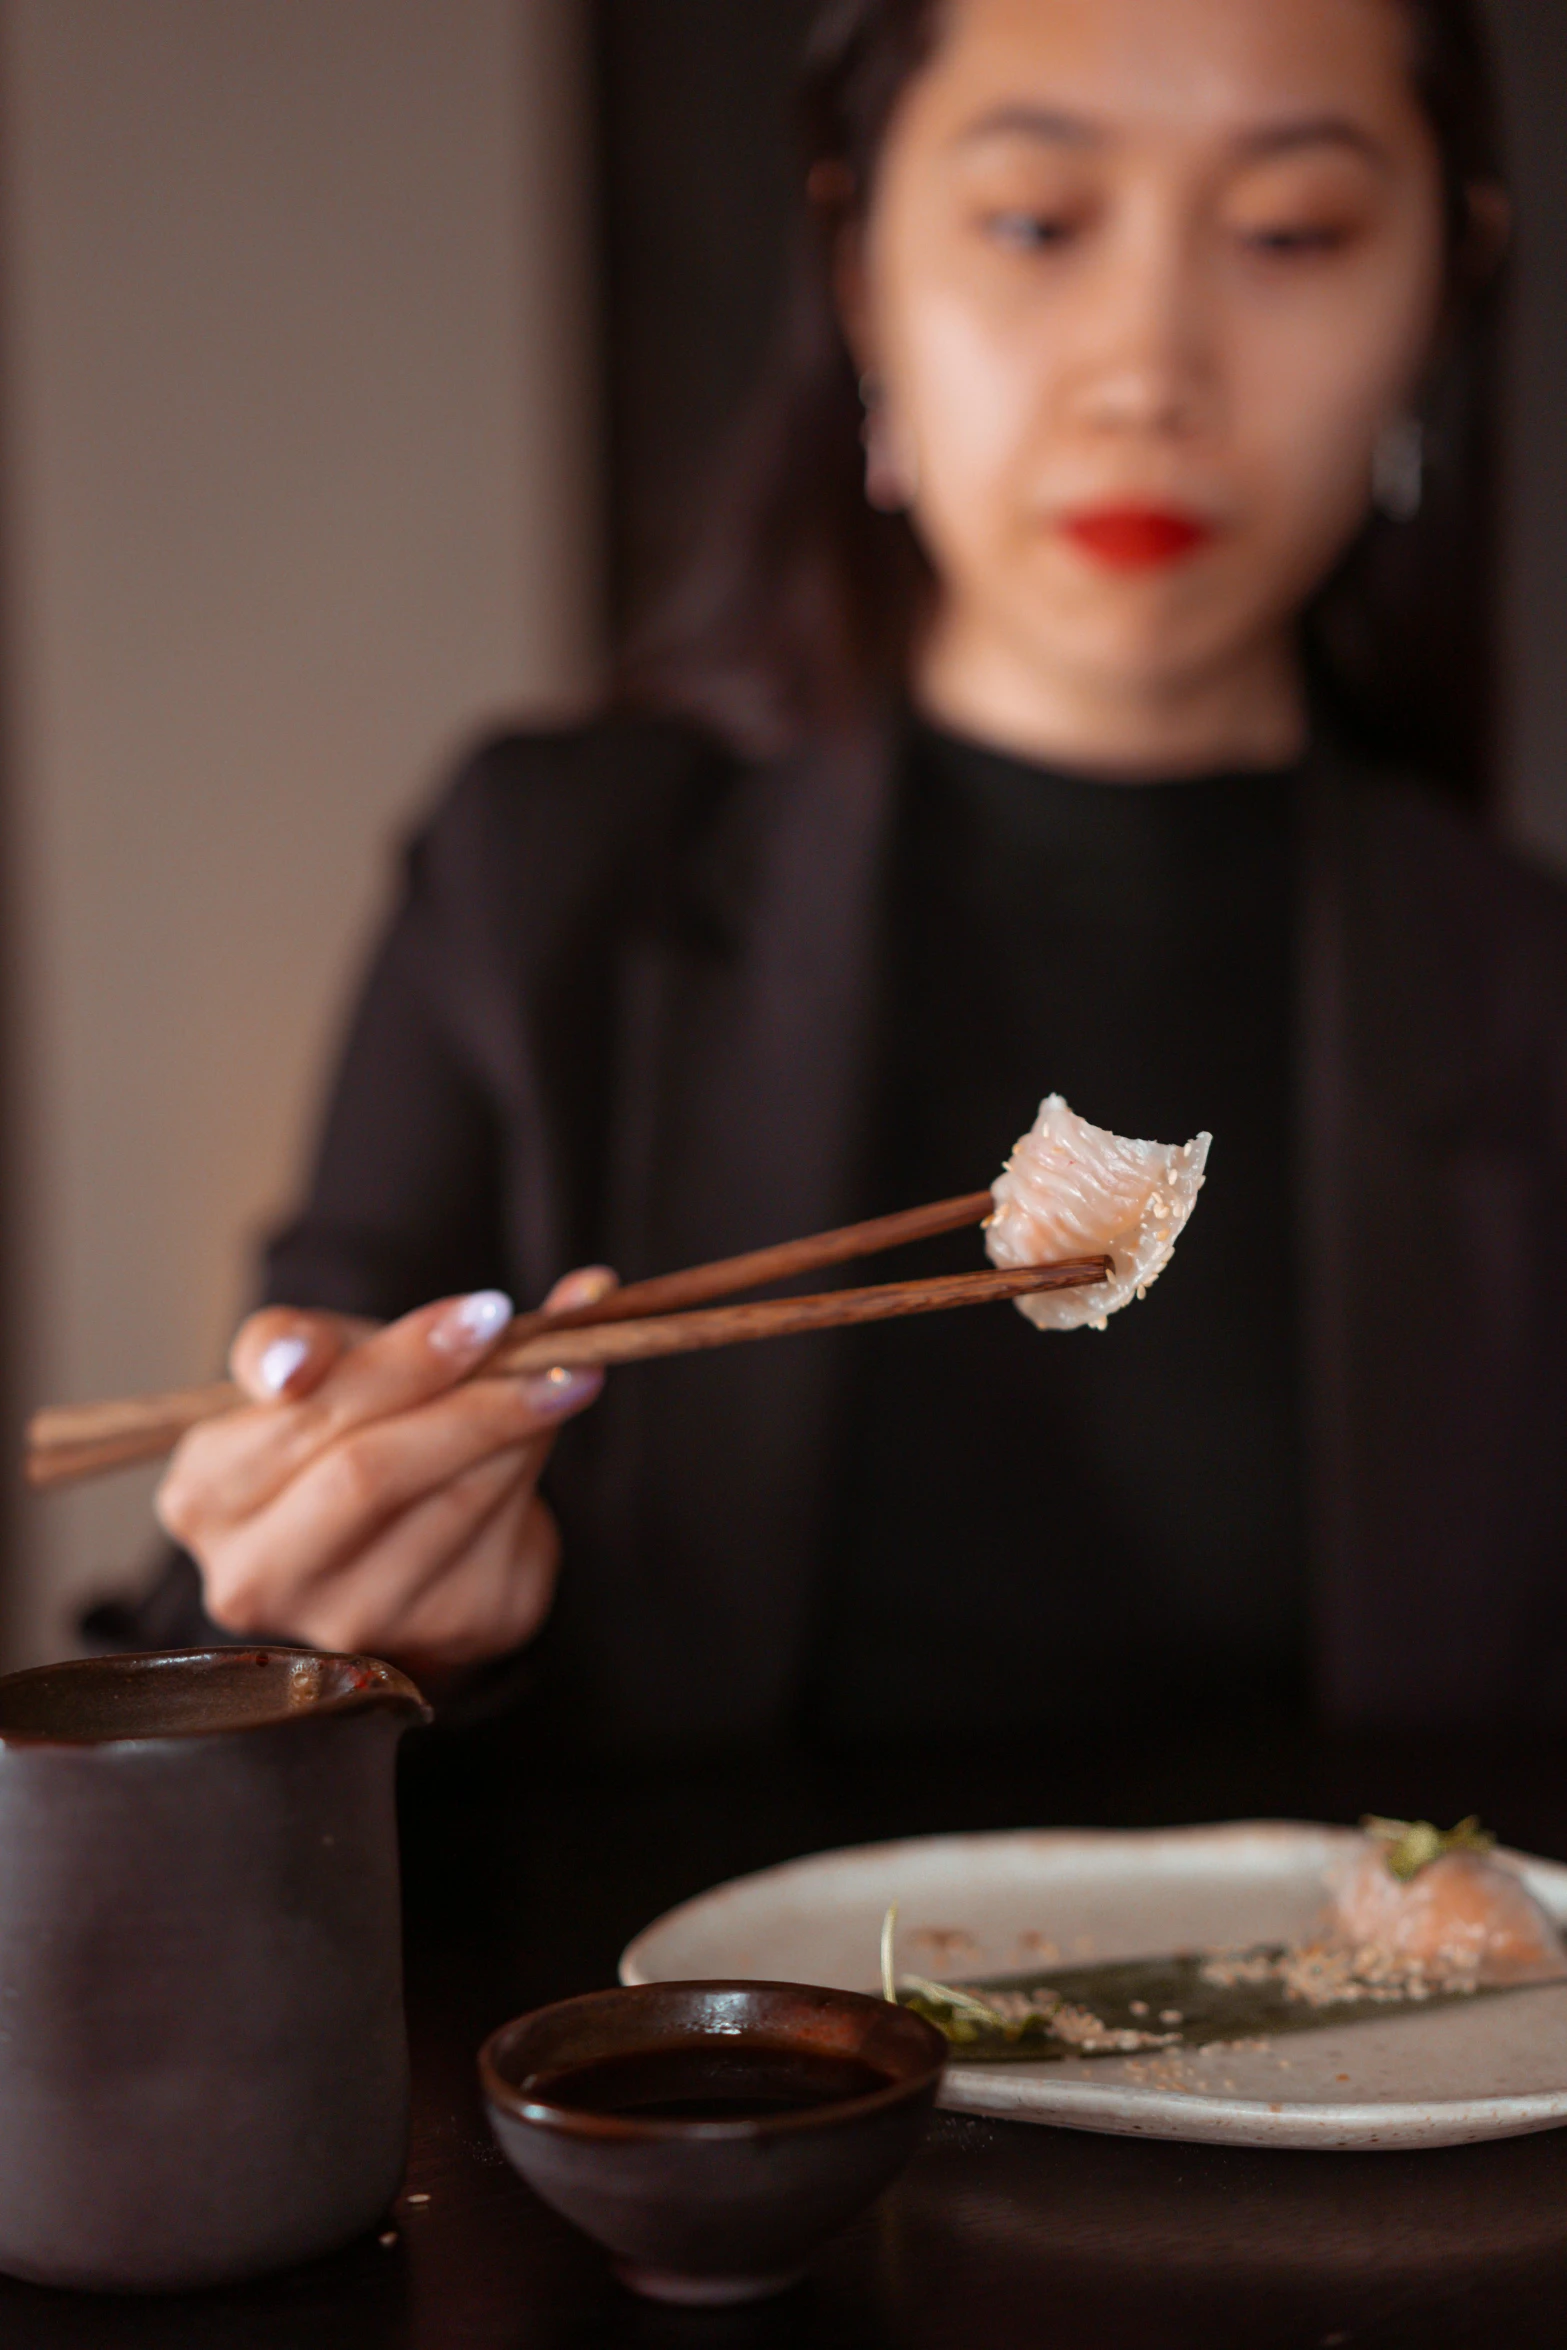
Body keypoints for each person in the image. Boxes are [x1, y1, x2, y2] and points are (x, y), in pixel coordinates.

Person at [109, 0, 1567, 1747]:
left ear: (1442, 284)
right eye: (1035, 222)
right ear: (858, 260)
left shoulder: (1525, 990)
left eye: (1290, 234)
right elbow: (193, 1677)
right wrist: (328, 1597)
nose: (1146, 367)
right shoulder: (551, 886)